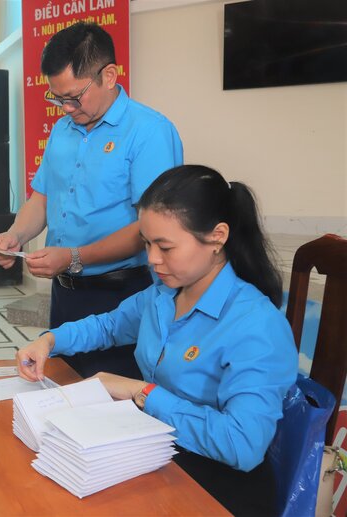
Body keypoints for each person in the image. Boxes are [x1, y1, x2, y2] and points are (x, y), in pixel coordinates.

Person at [17, 165, 298, 515]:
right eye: (147, 244)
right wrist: (49, 341)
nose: (152, 259)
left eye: (165, 247)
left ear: (217, 236)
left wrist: (142, 392)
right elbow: (109, 326)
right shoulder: (164, 295)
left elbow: (242, 445)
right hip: (161, 453)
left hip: (217, 487)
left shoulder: (256, 325)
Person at [0, 22, 183, 379]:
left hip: (122, 295)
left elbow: (152, 229)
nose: (65, 108)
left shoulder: (149, 132)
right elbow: (42, 198)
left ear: (108, 76)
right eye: (57, 98)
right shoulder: (62, 130)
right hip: (67, 295)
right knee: (63, 393)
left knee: (113, 407)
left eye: (74, 97)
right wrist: (15, 235)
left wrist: (75, 257)